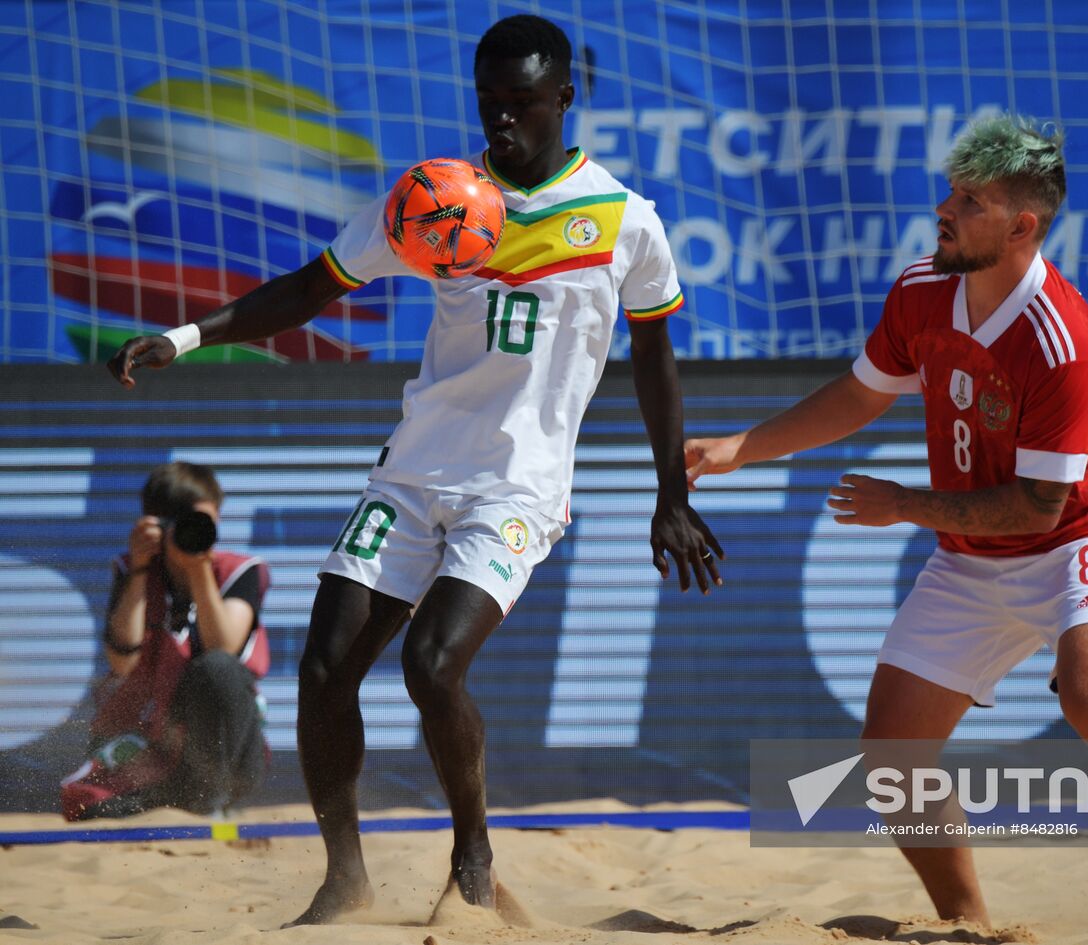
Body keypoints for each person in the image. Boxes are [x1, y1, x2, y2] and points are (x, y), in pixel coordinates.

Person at [107, 13, 721, 927]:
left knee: (433, 668)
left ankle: (471, 854)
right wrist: (188, 336)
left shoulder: (625, 220)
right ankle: (343, 874)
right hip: (412, 473)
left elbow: (658, 359)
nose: (501, 120)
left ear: (564, 98)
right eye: (489, 102)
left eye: (521, 103)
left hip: (517, 486)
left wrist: (670, 492)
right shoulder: (437, 197)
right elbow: (309, 288)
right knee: (323, 672)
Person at [686, 115, 1088, 935]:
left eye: (968, 200)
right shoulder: (920, 289)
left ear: (1022, 225)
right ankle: (967, 923)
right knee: (890, 756)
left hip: (1082, 536)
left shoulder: (1064, 339)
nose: (944, 207)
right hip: (973, 555)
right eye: (949, 190)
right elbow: (861, 394)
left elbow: (1035, 507)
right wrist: (742, 448)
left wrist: (903, 504)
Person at [61, 462, 270, 821]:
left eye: (206, 520)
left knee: (218, 667)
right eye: (184, 522)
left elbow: (225, 649)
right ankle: (182, 803)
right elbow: (123, 661)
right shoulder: (132, 569)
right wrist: (142, 570)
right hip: (154, 743)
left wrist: (198, 568)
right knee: (95, 810)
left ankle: (210, 802)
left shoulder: (239, 571)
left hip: (227, 752)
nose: (197, 530)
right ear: (157, 524)